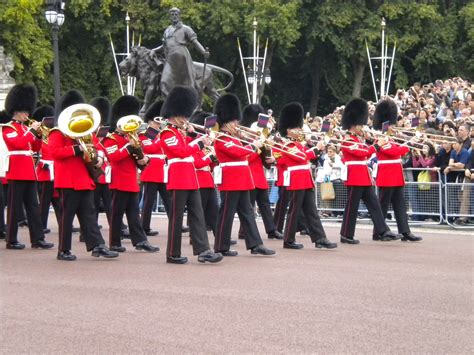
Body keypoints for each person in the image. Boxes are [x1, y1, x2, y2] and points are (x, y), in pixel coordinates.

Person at [159, 85, 223, 264]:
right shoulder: (166, 133)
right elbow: (181, 151)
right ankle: (172, 253)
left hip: (190, 178)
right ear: (173, 115)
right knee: (177, 218)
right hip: (178, 178)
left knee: (197, 215)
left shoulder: (180, 133)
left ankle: (203, 250)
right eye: (183, 115)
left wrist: (202, 138)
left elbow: (190, 145)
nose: (185, 119)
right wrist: (200, 143)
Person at [49, 99, 118, 261]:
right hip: (68, 180)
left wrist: (100, 158)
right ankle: (63, 250)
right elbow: (55, 152)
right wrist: (77, 148)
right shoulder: (57, 133)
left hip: (84, 180)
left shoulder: (85, 133)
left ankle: (97, 246)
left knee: (89, 214)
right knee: (67, 217)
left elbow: (99, 148)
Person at [212, 93, 275, 257]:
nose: (237, 124)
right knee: (227, 214)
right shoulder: (221, 138)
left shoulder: (234, 137)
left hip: (242, 179)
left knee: (248, 212)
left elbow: (243, 152)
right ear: (226, 122)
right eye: (234, 121)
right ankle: (220, 246)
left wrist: (248, 139)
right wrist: (254, 145)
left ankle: (255, 244)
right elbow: (238, 153)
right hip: (231, 179)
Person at [102, 95, 160, 254]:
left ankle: (140, 241)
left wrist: (143, 158)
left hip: (131, 180)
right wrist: (129, 147)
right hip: (119, 180)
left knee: (134, 214)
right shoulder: (110, 139)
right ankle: (114, 243)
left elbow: (137, 161)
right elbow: (114, 157)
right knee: (116, 214)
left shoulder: (131, 138)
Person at [339, 98, 400, 244]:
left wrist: (370, 140)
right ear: (354, 125)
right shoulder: (347, 139)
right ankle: (346, 234)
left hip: (363, 176)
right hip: (354, 176)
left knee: (374, 204)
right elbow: (362, 153)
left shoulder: (358, 138)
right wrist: (377, 145)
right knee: (352, 207)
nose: (363, 127)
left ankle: (382, 230)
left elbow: (365, 150)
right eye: (360, 124)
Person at [277, 102, 337, 250]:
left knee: (311, 211)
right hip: (297, 180)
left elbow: (308, 155)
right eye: (296, 128)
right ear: (289, 130)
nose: (299, 130)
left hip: (305, 179)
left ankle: (320, 238)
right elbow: (302, 157)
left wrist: (320, 146)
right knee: (294, 210)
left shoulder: (298, 143)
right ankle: (288, 240)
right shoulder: (286, 145)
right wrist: (317, 148)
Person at [1, 84, 54, 250]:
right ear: (16, 111)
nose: (27, 114)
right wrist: (31, 132)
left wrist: (38, 136)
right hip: (16, 171)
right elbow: (17, 144)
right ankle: (11, 240)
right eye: (24, 111)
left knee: (33, 207)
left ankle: (38, 238)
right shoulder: (8, 128)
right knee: (14, 207)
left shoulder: (25, 128)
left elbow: (35, 148)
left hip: (29, 171)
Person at [371, 99, 422, 242]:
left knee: (400, 204)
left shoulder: (392, 137)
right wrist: (410, 143)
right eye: (391, 124)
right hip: (387, 174)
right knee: (383, 205)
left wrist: (411, 138)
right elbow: (394, 152)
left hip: (396, 174)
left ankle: (405, 231)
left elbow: (397, 150)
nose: (394, 126)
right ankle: (378, 232)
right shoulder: (380, 138)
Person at [238, 104, 283, 240]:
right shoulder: (244, 140)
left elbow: (265, 157)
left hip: (259, 176)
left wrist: (271, 158)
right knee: (248, 206)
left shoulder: (259, 139)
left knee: (265, 205)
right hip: (249, 175)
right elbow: (247, 157)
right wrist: (257, 147)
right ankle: (243, 231)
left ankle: (271, 229)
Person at [152, 7, 209, 96]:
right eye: (172, 14)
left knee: (187, 83)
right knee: (164, 82)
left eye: (176, 14)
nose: (174, 16)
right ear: (170, 17)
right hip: (170, 60)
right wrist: (154, 50)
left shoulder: (186, 28)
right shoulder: (167, 30)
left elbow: (195, 42)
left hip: (182, 58)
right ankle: (171, 104)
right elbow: (164, 46)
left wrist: (203, 51)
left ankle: (191, 102)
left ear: (179, 16)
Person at [139, 100, 171, 236]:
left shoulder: (159, 135)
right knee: (148, 202)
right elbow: (149, 148)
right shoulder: (144, 135)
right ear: (151, 122)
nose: (160, 124)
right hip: (151, 170)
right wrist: (161, 138)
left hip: (162, 171)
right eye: (158, 122)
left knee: (169, 201)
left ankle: (175, 224)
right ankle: (144, 227)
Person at [32, 105, 61, 234]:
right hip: (45, 172)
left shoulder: (53, 135)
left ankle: (63, 223)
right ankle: (41, 226)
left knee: (57, 200)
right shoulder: (40, 137)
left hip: (55, 172)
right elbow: (35, 151)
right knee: (44, 202)